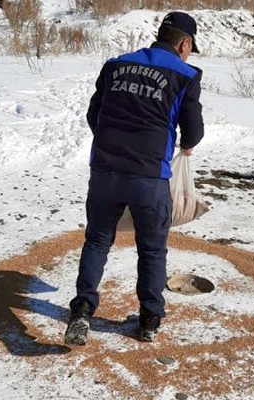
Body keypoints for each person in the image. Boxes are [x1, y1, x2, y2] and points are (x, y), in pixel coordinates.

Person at [65, 11, 204, 345]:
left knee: (97, 241)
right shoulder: (185, 75)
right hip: (149, 178)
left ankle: (82, 311)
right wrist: (183, 145)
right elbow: (194, 132)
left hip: (105, 173)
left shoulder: (116, 65)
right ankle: (149, 319)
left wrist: (113, 146)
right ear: (184, 44)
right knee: (152, 250)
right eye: (189, 48)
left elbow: (93, 114)